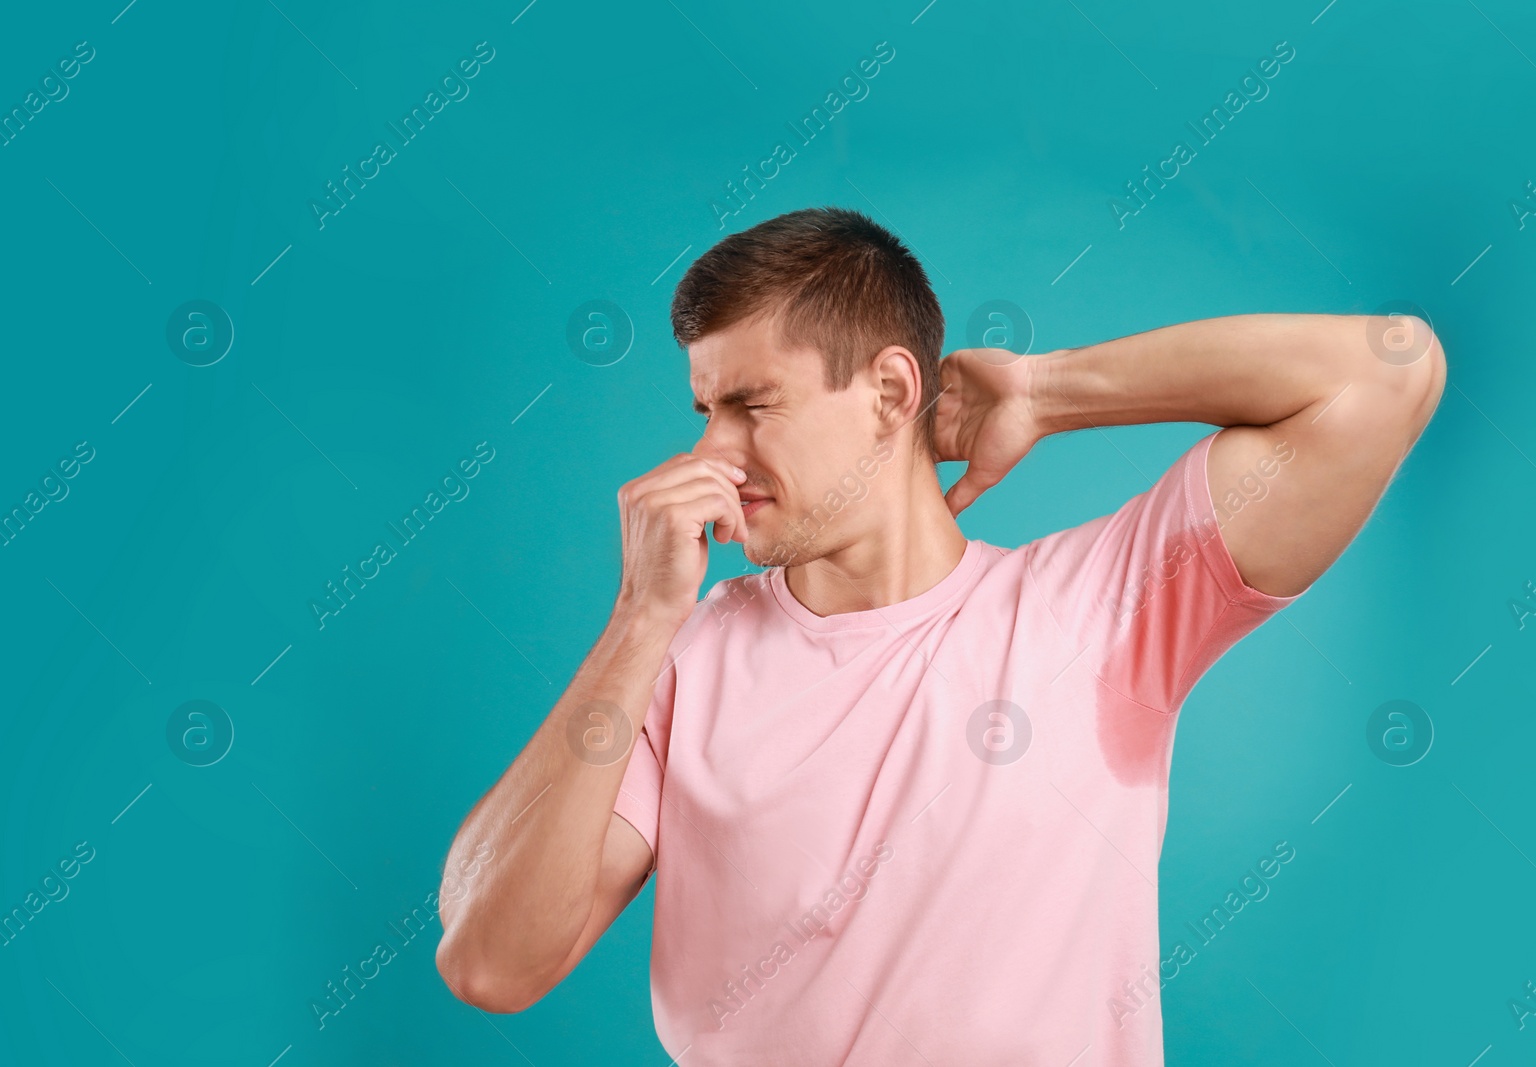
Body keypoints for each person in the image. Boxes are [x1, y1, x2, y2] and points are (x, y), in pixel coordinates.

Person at [433, 206, 1445, 1065]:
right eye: (703, 409)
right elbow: (490, 960)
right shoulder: (682, 660)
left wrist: (1050, 391)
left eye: (751, 405)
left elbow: (1389, 371)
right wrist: (639, 618)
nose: (712, 451)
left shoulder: (1103, 608)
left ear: (888, 392)